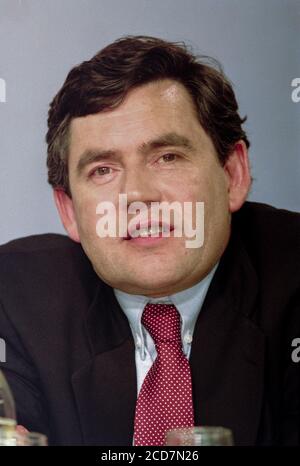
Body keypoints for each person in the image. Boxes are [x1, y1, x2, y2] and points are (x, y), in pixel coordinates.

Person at [0, 36, 299, 446]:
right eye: (103, 170)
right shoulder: (14, 293)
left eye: (167, 157)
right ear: (69, 210)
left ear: (232, 174)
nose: (137, 196)